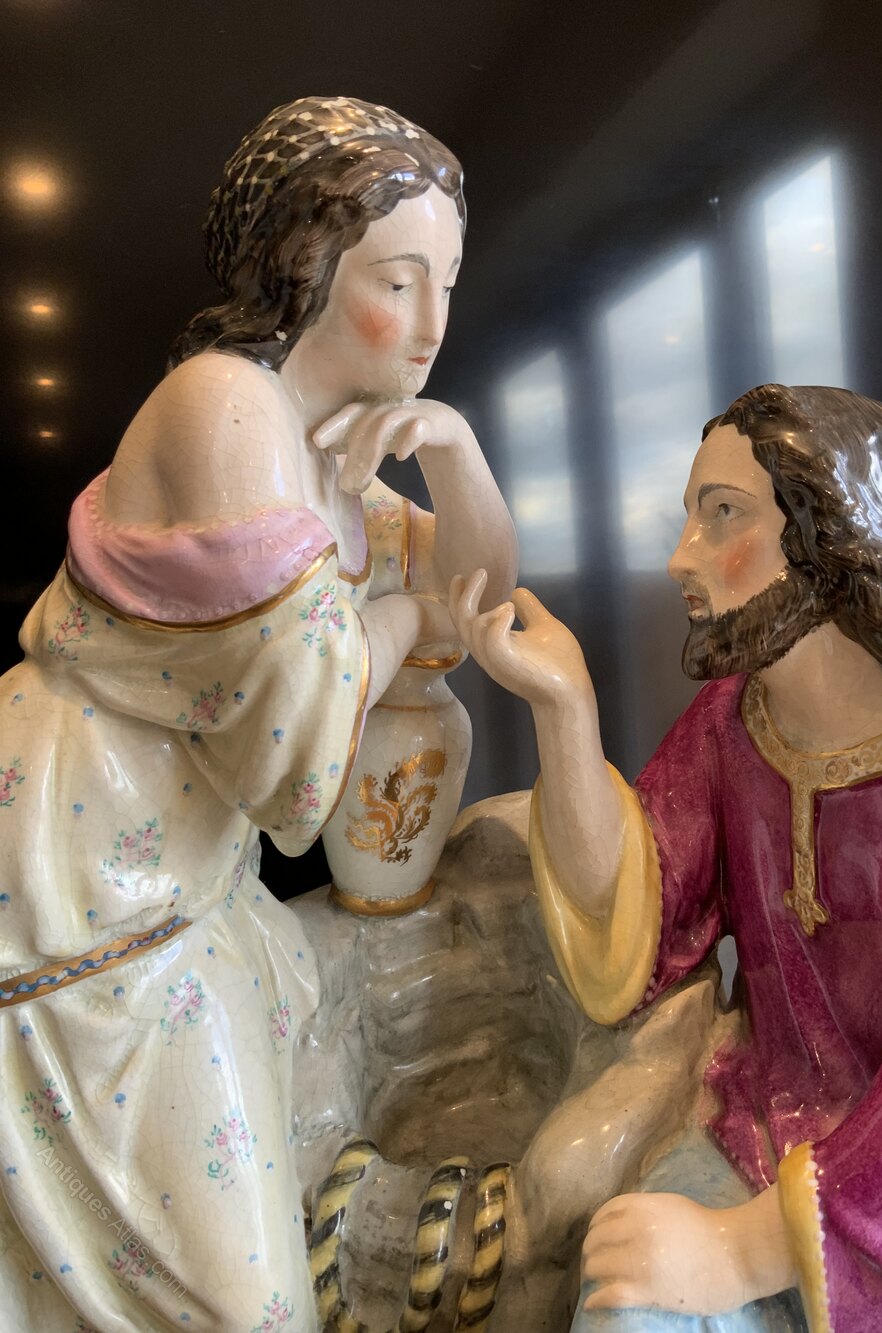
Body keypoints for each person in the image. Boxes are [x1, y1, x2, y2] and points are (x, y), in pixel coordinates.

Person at [0, 96, 515, 1330]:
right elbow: (291, 762)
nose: (432, 325)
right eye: (399, 280)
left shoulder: (327, 454)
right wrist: (396, 621)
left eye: (446, 284)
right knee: (244, 1304)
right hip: (78, 891)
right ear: (304, 265)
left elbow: (481, 604)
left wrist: (453, 453)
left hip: (178, 893)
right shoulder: (225, 407)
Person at [450, 384, 882, 1333]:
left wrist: (740, 1250)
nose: (681, 557)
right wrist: (565, 709)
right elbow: (639, 918)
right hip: (756, 1131)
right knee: (625, 1312)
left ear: (833, 538)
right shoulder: (735, 724)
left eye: (724, 515)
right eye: (689, 517)